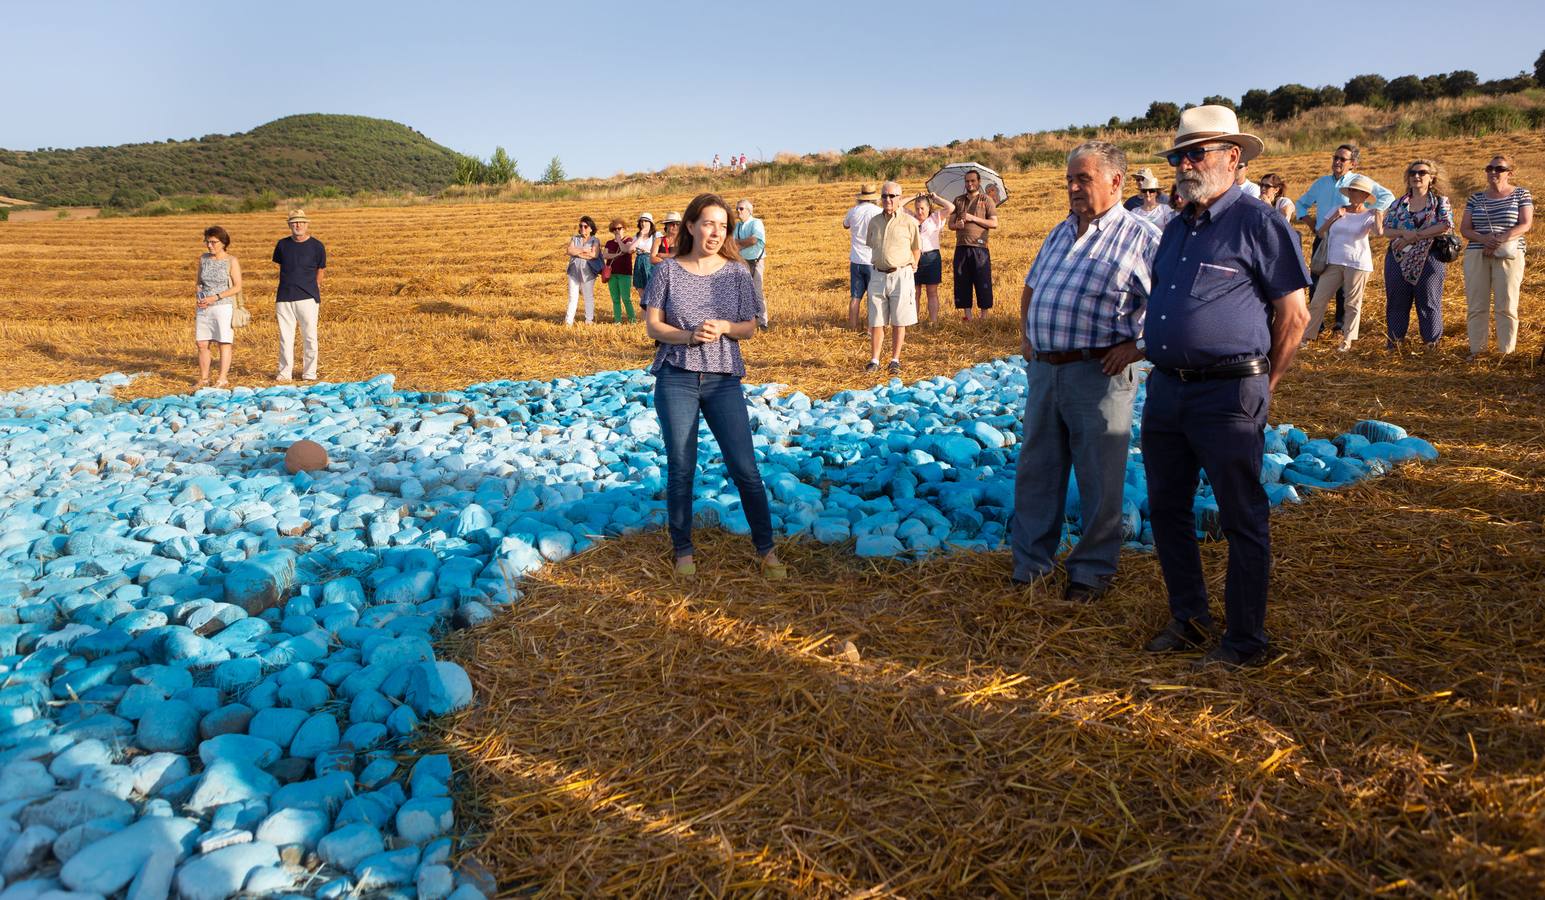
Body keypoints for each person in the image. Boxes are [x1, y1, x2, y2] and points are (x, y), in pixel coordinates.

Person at [1140, 105, 1311, 669]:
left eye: (1197, 154)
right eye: (1178, 156)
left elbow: (1294, 317)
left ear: (1233, 158)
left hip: (1229, 393)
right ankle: (1188, 620)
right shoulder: (1176, 226)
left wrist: (1266, 382)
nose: (1185, 165)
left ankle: (1244, 641)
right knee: (1166, 508)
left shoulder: (1260, 223)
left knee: (1241, 516)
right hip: (1167, 390)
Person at [1013, 142, 1161, 601]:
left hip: (1098, 374)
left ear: (1117, 181)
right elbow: (1033, 285)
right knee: (1038, 469)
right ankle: (1031, 565)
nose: (1074, 188)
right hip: (1046, 370)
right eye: (1070, 180)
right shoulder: (1060, 231)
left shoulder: (1142, 238)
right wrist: (1027, 334)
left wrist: (1137, 348)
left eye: (1083, 179)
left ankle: (1091, 572)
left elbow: (1172, 309)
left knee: (1099, 476)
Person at [640, 193, 786, 580]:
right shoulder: (667, 271)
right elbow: (653, 326)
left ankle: (766, 550)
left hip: (723, 378)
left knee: (745, 467)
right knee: (682, 466)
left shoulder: (738, 273)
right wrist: (688, 336)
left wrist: (724, 327)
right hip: (677, 377)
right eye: (709, 223)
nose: (716, 232)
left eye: (723, 225)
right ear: (690, 226)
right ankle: (683, 551)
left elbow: (750, 328)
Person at [1295, 143, 1394, 334]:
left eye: (1342, 159)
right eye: (1335, 158)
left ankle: (1340, 327)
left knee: (1344, 290)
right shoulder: (1321, 183)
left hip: (1349, 241)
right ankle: (1316, 328)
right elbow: (1301, 203)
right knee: (1317, 283)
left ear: (1353, 164)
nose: (1337, 162)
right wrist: (1309, 222)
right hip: (1324, 238)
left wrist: (1374, 211)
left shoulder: (1360, 182)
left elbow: (1387, 195)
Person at [1460, 154, 1534, 358]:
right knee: (1476, 304)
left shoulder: (1521, 194)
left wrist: (1500, 239)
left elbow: (1525, 224)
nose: (1493, 172)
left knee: (1507, 304)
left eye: (1499, 168)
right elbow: (1465, 229)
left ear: (1510, 173)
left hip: (1509, 253)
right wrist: (1485, 240)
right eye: (1489, 168)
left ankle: (1506, 353)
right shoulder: (1475, 198)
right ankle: (1477, 350)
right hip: (1477, 252)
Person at [1303, 175, 1383, 351]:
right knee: (1318, 299)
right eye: (1352, 190)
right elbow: (1320, 231)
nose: (1354, 193)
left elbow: (1379, 233)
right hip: (1333, 262)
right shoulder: (1337, 209)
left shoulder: (1369, 214)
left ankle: (1347, 339)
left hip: (1357, 264)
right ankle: (1307, 336)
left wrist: (1379, 215)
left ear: (1365, 196)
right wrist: (1334, 218)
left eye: (1358, 191)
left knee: (1352, 303)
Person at [1382, 159, 1453, 351]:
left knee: (1429, 300)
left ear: (1432, 178)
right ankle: (1395, 343)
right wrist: (1404, 235)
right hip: (1398, 257)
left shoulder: (1440, 202)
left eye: (1422, 173)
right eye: (1412, 173)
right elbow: (1386, 230)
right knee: (1396, 300)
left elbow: (1445, 225)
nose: (1416, 176)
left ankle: (1431, 343)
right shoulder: (1398, 204)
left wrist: (1414, 236)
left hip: (1430, 257)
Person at [862, 181, 921, 375]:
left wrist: (914, 264)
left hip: (901, 275)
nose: (888, 199)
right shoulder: (874, 221)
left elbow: (916, 247)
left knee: (899, 319)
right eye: (885, 196)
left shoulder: (909, 222)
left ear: (899, 198)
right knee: (876, 320)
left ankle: (895, 360)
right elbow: (872, 244)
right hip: (878, 275)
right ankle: (874, 360)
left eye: (892, 196)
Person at [271, 210, 325, 382]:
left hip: (308, 297)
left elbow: (321, 270)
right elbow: (281, 266)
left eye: (301, 222)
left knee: (309, 337)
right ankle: (285, 373)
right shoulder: (282, 245)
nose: (298, 225)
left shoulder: (317, 246)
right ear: (289, 225)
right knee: (285, 338)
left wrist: (315, 287)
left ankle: (309, 373)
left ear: (307, 224)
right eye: (294, 222)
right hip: (284, 297)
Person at [194, 225, 242, 389]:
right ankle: (204, 378)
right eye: (207, 242)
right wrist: (200, 296)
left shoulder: (231, 261)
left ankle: (222, 378)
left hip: (223, 306)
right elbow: (199, 282)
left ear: (223, 242)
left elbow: (237, 287)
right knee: (201, 343)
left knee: (223, 342)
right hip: (204, 307)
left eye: (213, 242)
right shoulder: (203, 259)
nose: (209, 245)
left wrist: (215, 297)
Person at [948, 168, 999, 320]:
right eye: (967, 181)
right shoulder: (958, 200)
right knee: (962, 280)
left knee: (982, 280)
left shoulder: (986, 200)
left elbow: (994, 223)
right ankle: (968, 317)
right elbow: (950, 224)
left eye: (972, 181)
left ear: (979, 182)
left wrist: (973, 218)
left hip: (980, 247)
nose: (969, 184)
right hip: (961, 246)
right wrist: (957, 225)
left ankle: (984, 316)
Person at [907, 190, 951, 325]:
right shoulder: (910, 218)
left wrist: (936, 198)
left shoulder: (935, 218)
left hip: (931, 257)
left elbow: (951, 207)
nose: (920, 212)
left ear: (928, 208)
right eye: (917, 208)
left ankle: (933, 321)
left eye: (922, 208)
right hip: (913, 258)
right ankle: (913, 321)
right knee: (915, 292)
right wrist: (912, 197)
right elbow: (897, 206)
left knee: (932, 292)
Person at [843, 184, 882, 331]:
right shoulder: (878, 212)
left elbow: (845, 225)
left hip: (856, 260)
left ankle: (852, 327)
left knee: (855, 297)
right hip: (872, 260)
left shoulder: (853, 211)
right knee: (873, 298)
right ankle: (871, 329)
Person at [734, 199, 768, 327]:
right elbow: (732, 244)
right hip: (743, 261)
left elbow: (754, 240)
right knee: (744, 292)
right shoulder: (737, 226)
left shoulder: (756, 222)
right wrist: (743, 242)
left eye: (741, 209)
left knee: (758, 291)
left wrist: (740, 243)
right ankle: (748, 321)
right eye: (737, 208)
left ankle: (763, 322)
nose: (738, 211)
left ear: (749, 211)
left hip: (757, 260)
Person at [564, 216, 601, 326]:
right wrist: (583, 250)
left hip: (588, 272)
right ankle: (568, 322)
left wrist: (577, 253)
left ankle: (589, 320)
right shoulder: (575, 238)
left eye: (585, 226)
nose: (583, 228)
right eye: (581, 226)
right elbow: (569, 250)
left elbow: (594, 255)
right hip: (573, 271)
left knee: (588, 296)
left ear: (591, 228)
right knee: (572, 296)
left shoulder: (595, 240)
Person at [602, 219, 637, 324]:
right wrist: (617, 255)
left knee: (626, 298)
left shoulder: (629, 240)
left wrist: (619, 240)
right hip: (612, 274)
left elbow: (626, 249)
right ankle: (618, 321)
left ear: (624, 229)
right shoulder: (609, 243)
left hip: (624, 273)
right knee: (615, 299)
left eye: (619, 228)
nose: (617, 231)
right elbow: (605, 255)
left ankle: (632, 321)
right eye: (614, 229)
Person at [632, 213, 657, 302]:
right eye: (641, 221)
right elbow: (630, 249)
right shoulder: (637, 235)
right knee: (641, 291)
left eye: (646, 221)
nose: (643, 223)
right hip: (639, 262)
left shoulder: (657, 235)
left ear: (651, 223)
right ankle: (645, 313)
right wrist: (641, 236)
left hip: (651, 263)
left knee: (652, 290)